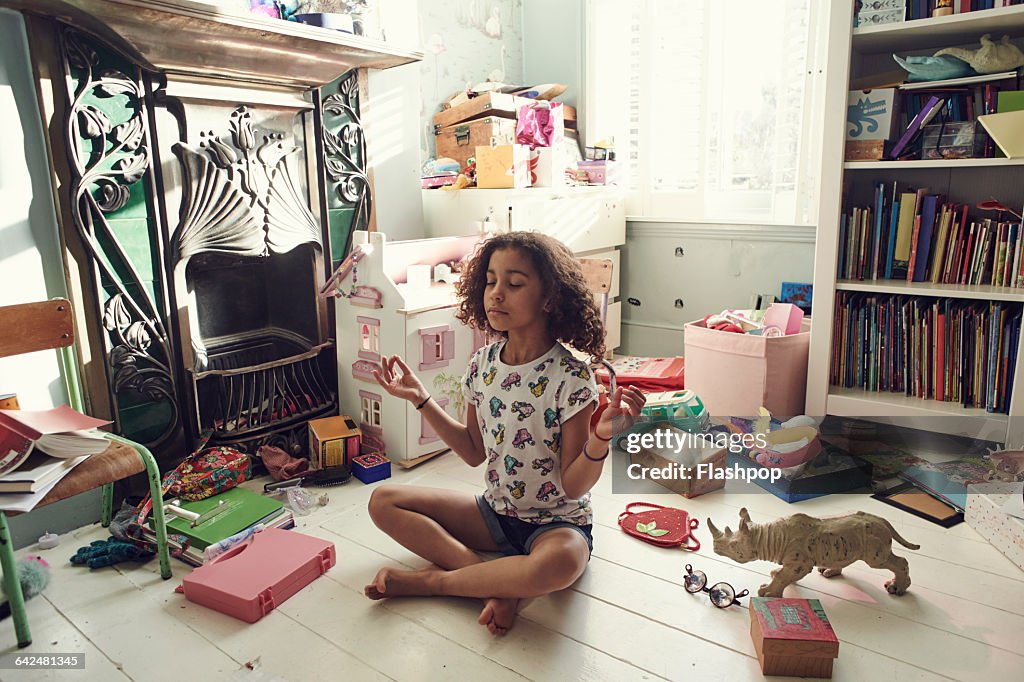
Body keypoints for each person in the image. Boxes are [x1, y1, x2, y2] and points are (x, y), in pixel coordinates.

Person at [363, 232, 645, 635]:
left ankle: (435, 583)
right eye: (490, 281)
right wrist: (420, 398)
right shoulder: (482, 365)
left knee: (562, 563)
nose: (496, 294)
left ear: (549, 298)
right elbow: (474, 451)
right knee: (383, 500)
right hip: (494, 514)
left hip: (556, 526)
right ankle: (494, 584)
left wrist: (600, 439)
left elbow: (573, 484)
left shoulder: (572, 377)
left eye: (513, 284)